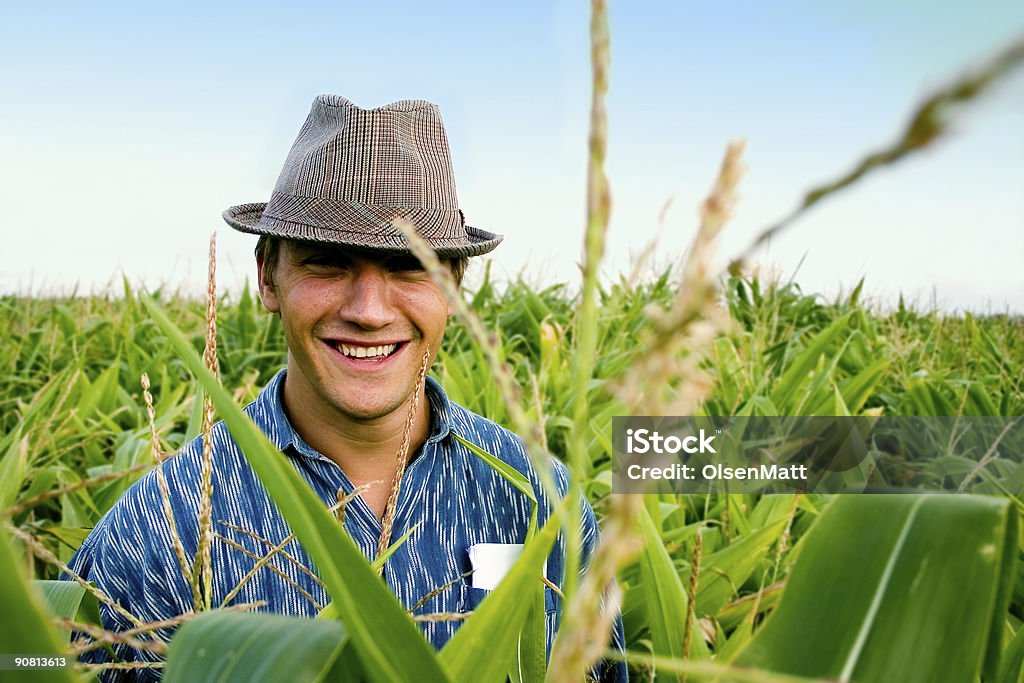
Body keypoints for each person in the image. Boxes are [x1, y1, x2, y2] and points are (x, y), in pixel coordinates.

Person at [67, 94, 626, 681]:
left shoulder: (537, 500)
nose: (369, 311)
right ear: (268, 279)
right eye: (327, 262)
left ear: (454, 288)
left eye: (410, 266)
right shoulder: (166, 522)